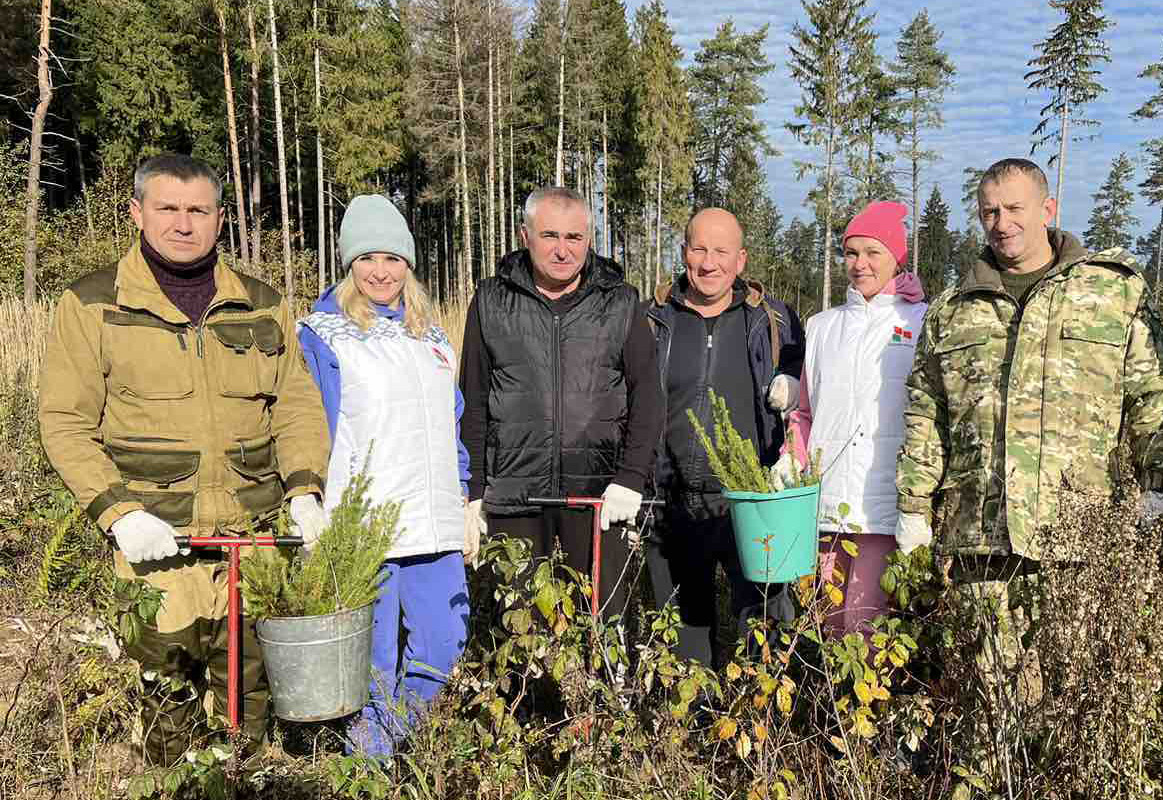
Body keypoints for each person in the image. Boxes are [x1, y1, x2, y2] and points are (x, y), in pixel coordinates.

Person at [38, 153, 330, 764]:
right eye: (167, 208)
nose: (182, 223)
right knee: (165, 700)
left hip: (252, 544)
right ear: (137, 212)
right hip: (157, 546)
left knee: (249, 699)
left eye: (198, 210)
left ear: (220, 219)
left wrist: (305, 490)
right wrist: (119, 514)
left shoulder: (261, 302)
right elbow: (65, 421)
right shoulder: (93, 304)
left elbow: (296, 407)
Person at [895, 157, 1163, 764]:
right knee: (986, 705)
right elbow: (927, 413)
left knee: (1076, 702)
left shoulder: (1112, 290)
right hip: (980, 539)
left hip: (1077, 536)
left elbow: (1153, 393)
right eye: (990, 212)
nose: (1002, 224)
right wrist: (914, 506)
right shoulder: (953, 309)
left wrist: (1157, 486)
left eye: (1015, 209)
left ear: (1048, 211)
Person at [297, 195, 470, 758]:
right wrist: (310, 501)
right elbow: (310, 425)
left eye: (392, 257)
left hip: (435, 521)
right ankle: (367, 766)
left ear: (408, 264)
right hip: (364, 525)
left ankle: (392, 743)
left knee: (445, 647)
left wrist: (465, 497)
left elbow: (453, 421)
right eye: (367, 256)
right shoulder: (323, 334)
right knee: (373, 660)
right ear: (348, 262)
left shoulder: (434, 337)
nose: (380, 270)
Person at [459, 187, 663, 621]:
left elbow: (648, 397)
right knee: (517, 628)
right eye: (550, 235)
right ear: (525, 235)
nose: (563, 250)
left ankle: (608, 690)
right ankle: (528, 693)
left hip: (598, 495)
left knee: (605, 621)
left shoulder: (621, 303)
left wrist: (630, 478)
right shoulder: (491, 301)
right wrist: (472, 491)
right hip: (514, 494)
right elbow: (473, 402)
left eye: (574, 237)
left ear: (589, 240)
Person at [645, 207, 806, 666]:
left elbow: (807, 388)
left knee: (765, 627)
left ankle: (764, 732)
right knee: (683, 635)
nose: (709, 262)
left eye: (722, 251)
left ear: (741, 260)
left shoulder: (775, 320)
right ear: (683, 253)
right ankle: (691, 730)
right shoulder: (653, 320)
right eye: (699, 248)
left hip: (752, 504)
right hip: (671, 504)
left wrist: (792, 383)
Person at [779, 201, 926, 638]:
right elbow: (805, 412)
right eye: (851, 253)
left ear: (895, 256)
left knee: (865, 629)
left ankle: (873, 709)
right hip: (825, 507)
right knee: (823, 627)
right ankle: (830, 709)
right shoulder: (823, 326)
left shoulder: (918, 321)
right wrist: (791, 458)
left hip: (883, 506)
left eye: (872, 252)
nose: (860, 264)